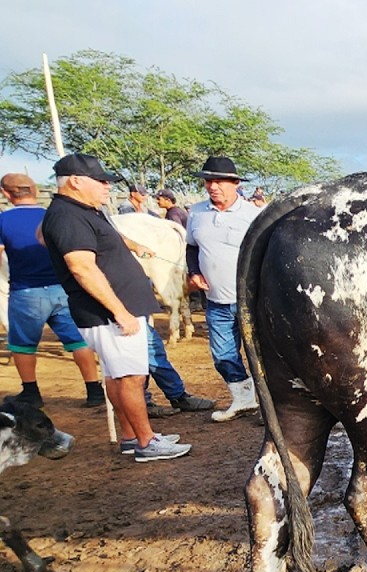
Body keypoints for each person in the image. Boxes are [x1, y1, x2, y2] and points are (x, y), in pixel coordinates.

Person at [40, 153, 190, 462]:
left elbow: (50, 237)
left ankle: (130, 436)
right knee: (131, 378)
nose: (107, 186)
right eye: (101, 181)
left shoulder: (81, 210)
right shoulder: (67, 216)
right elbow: (81, 267)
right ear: (76, 181)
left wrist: (134, 246)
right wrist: (119, 311)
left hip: (112, 311)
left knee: (117, 375)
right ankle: (147, 443)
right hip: (110, 313)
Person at [0, 173, 106, 409]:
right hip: (62, 289)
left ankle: (31, 392)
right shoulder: (52, 216)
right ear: (35, 190)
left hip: (26, 291)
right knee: (78, 341)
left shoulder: (3, 221)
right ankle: (93, 389)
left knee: (22, 344)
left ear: (6, 193)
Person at [186, 156, 263, 422]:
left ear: (236, 183)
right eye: (209, 181)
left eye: (219, 181)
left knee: (260, 353)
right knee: (223, 354)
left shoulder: (253, 215)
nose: (213, 186)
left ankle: (268, 405)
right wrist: (194, 273)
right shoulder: (196, 213)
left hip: (250, 299)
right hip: (215, 299)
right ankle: (243, 400)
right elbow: (191, 248)